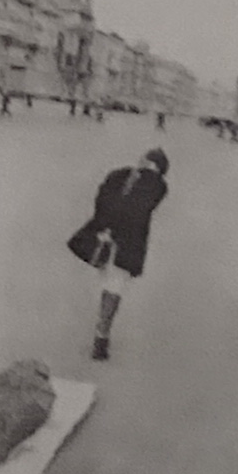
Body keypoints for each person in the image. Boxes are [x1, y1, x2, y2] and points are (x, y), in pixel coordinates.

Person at [66, 142, 172, 361]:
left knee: (107, 284)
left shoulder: (119, 175)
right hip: (128, 244)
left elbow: (101, 199)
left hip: (103, 237)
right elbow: (140, 209)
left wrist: (104, 227)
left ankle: (101, 332)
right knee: (114, 288)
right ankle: (101, 335)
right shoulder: (158, 186)